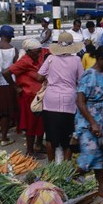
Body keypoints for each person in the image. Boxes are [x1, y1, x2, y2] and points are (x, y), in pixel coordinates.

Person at [37, 32, 84, 163]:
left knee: (50, 136)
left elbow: (38, 77)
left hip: (50, 100)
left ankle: (51, 165)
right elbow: (82, 80)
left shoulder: (51, 58)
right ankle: (66, 166)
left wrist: (50, 78)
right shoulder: (76, 60)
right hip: (68, 101)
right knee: (68, 135)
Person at [75, 46, 103, 197]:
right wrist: (92, 122)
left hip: (100, 125)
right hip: (89, 125)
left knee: (101, 157)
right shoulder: (89, 75)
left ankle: (99, 189)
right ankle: (62, 182)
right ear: (100, 59)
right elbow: (80, 102)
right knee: (88, 158)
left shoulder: (101, 74)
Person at [2, 39, 47, 158]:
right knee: (31, 124)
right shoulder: (24, 61)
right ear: (29, 52)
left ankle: (38, 145)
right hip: (29, 96)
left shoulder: (37, 56)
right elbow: (6, 73)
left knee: (40, 122)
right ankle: (30, 151)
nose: (38, 54)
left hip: (39, 95)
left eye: (39, 52)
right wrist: (15, 87)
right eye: (36, 52)